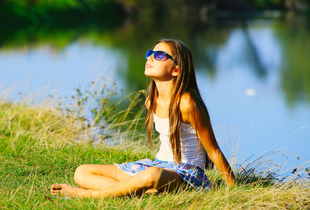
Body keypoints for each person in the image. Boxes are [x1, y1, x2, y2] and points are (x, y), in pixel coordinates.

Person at [51, 38, 235, 198]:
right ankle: (140, 192)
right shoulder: (151, 102)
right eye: (151, 53)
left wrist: (234, 189)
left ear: (176, 70)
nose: (150, 57)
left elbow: (214, 151)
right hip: (158, 165)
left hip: (185, 174)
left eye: (160, 56)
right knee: (82, 172)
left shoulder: (186, 103)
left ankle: (86, 195)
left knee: (151, 176)